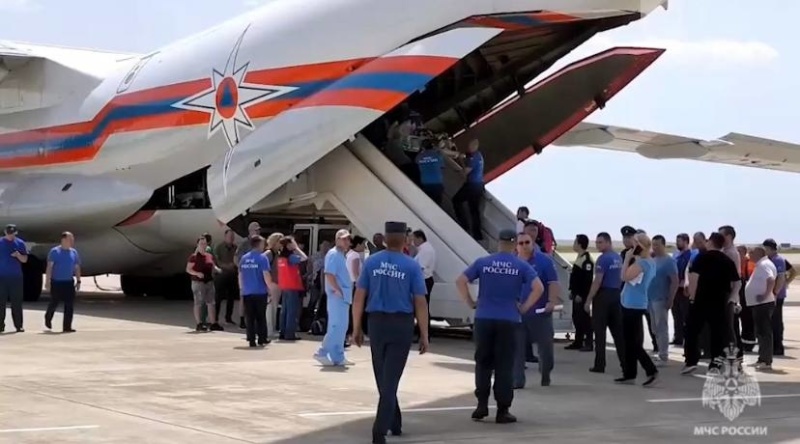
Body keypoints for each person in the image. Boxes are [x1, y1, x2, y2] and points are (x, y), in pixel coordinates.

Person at [352, 221, 429, 444]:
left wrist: (356, 327)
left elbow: (359, 296)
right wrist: (424, 334)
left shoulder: (371, 262)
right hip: (401, 324)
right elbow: (420, 302)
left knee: (383, 377)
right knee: (390, 378)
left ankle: (393, 421)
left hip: (376, 324)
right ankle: (381, 429)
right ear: (405, 240)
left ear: (385, 239)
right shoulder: (411, 266)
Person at [456, 229, 544, 424]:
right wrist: (525, 307)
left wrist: (470, 302)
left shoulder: (483, 262)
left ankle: (481, 405)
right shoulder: (520, 265)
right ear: (514, 245)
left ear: (498, 242)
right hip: (509, 319)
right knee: (504, 365)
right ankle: (503, 410)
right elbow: (539, 287)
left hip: (484, 318)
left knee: (483, 362)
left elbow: (461, 280)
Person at [682, 232, 740, 375]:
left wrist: (692, 297)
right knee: (718, 334)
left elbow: (694, 278)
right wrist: (733, 297)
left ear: (711, 242)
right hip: (720, 301)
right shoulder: (727, 261)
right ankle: (715, 364)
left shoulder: (702, 258)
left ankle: (691, 361)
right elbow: (737, 282)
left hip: (701, 300)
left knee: (692, 331)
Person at [512, 232, 559, 388]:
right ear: (516, 246)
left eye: (527, 242)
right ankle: (518, 380)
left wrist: (551, 301)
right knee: (516, 348)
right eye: (521, 243)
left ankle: (545, 373)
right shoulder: (512, 262)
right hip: (518, 314)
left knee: (546, 350)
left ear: (532, 243)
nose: (524, 246)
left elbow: (553, 283)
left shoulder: (544, 261)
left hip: (540, 313)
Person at [617, 233, 659, 386]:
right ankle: (629, 373)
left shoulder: (642, 263)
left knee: (632, 341)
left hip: (632, 304)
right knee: (629, 340)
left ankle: (650, 369)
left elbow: (624, 276)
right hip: (635, 302)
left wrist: (627, 258)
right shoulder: (650, 262)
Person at [584, 232, 625, 374]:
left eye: (600, 242)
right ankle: (625, 363)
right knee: (618, 332)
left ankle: (600, 364)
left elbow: (597, 281)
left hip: (604, 296)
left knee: (600, 332)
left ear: (608, 242)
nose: (598, 245)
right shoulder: (618, 258)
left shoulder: (603, 259)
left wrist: (589, 299)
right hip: (616, 294)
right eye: (597, 242)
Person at [314, 229, 354, 367]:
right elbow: (329, 274)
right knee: (336, 326)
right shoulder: (334, 254)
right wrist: (337, 289)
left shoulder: (341, 255)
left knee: (341, 327)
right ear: (337, 240)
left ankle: (338, 355)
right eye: (343, 239)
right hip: (337, 296)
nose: (346, 241)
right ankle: (323, 352)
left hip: (343, 296)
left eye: (348, 239)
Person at [620, 226, 657, 353]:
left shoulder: (642, 261)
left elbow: (624, 276)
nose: (627, 241)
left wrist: (627, 261)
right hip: (633, 298)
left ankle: (649, 366)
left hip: (634, 301)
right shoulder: (638, 258)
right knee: (633, 334)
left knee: (633, 338)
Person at [239, 235, 276, 347]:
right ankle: (262, 338)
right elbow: (266, 275)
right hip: (260, 292)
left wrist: (242, 289)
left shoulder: (244, 258)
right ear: (259, 244)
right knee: (260, 316)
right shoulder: (262, 258)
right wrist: (270, 289)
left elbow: (240, 275)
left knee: (249, 317)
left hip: (247, 291)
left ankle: (251, 339)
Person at [743, 246, 776, 371]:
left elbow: (771, 279)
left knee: (764, 332)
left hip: (763, 304)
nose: (749, 255)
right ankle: (762, 358)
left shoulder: (764, 265)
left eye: (751, 253)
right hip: (759, 304)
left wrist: (765, 295)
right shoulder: (761, 264)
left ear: (759, 253)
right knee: (761, 332)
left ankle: (766, 360)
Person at [649, 235, 678, 365]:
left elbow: (674, 281)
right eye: (653, 244)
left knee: (661, 327)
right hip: (650, 298)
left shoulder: (669, 261)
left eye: (657, 244)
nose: (654, 247)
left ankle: (663, 356)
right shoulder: (653, 259)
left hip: (661, 298)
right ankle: (660, 352)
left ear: (663, 245)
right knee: (654, 328)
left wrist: (670, 299)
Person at [44, 231, 81, 333]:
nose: (72, 241)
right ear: (63, 240)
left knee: (69, 305)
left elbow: (77, 267)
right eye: (70, 239)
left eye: (72, 239)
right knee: (54, 302)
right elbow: (49, 267)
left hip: (68, 282)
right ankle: (48, 316)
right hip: (57, 282)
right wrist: (47, 281)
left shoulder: (74, 252)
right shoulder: (54, 252)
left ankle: (67, 326)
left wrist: (78, 280)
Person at [186, 236, 223, 332]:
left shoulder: (209, 256)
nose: (203, 245)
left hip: (209, 281)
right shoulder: (193, 257)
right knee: (198, 302)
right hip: (198, 282)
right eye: (201, 244)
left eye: (205, 244)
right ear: (197, 245)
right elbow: (188, 269)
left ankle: (213, 323)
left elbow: (213, 266)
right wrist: (197, 273)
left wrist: (218, 270)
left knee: (211, 303)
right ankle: (199, 323)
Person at [451, 139, 485, 241]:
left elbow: (465, 172)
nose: (468, 148)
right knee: (474, 210)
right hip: (478, 186)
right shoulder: (477, 155)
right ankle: (477, 235)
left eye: (470, 146)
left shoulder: (474, 158)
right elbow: (463, 155)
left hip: (472, 186)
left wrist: (460, 164)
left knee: (456, 200)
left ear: (475, 147)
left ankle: (464, 225)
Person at [276, 236, 308, 341]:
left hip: (284, 286)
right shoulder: (291, 257)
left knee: (284, 310)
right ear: (289, 245)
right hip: (292, 286)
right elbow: (304, 258)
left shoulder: (281, 257)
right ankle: (290, 334)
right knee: (292, 311)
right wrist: (296, 249)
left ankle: (282, 331)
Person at [566, 234, 594, 351]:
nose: (573, 244)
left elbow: (587, 281)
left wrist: (580, 295)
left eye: (575, 242)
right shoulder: (579, 257)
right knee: (576, 318)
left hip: (582, 295)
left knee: (584, 319)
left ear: (580, 244)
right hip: (576, 293)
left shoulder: (587, 260)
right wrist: (572, 290)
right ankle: (578, 341)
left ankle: (588, 342)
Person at [0, 224, 28, 333]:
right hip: (1, 277)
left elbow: (25, 259)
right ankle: (0, 325)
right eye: (8, 233)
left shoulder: (20, 243)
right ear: (5, 232)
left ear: (15, 233)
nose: (10, 235)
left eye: (12, 233)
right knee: (1, 303)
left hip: (16, 277)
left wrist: (18, 255)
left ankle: (18, 325)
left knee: (16, 303)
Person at [235, 221, 263, 328]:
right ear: (250, 231)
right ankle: (242, 319)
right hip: (246, 274)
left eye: (259, 230)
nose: (258, 232)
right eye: (256, 230)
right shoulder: (244, 243)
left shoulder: (260, 242)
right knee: (244, 296)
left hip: (257, 273)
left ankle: (253, 319)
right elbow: (236, 258)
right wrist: (242, 269)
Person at [763, 239, 787, 356]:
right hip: (772, 295)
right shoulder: (770, 260)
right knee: (772, 321)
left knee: (776, 321)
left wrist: (775, 293)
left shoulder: (778, 260)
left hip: (777, 295)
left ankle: (778, 347)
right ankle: (774, 346)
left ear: (769, 248)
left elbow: (781, 278)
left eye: (765, 249)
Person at [412, 229, 435, 343]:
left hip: (424, 280)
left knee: (422, 308)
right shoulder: (423, 249)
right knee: (421, 308)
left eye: (414, 239)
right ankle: (421, 333)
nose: (413, 242)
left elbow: (420, 268)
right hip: (424, 280)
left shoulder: (425, 250)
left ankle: (423, 334)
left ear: (420, 238)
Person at [214, 229, 239, 325]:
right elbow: (216, 260)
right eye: (229, 236)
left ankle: (228, 317)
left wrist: (233, 265)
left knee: (231, 297)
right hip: (221, 275)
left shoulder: (236, 248)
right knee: (218, 297)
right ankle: (215, 318)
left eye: (232, 237)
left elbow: (238, 258)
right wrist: (225, 266)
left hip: (232, 275)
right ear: (225, 237)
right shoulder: (219, 247)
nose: (231, 238)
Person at [671, 233, 692, 345]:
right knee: (676, 314)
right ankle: (678, 337)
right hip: (674, 289)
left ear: (685, 242)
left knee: (685, 315)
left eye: (679, 241)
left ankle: (687, 338)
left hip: (684, 289)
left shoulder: (690, 255)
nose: (677, 243)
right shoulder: (675, 255)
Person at [264, 232, 284, 338]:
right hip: (271, 283)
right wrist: (268, 283)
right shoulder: (269, 253)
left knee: (274, 307)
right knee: (270, 307)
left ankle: (271, 329)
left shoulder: (278, 254)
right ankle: (269, 330)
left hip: (277, 283)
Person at [415, 138, 445, 205]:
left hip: (425, 183)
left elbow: (416, 167)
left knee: (427, 203)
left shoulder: (418, 157)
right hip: (437, 183)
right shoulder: (438, 155)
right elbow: (442, 167)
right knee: (438, 204)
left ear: (422, 147)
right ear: (433, 146)